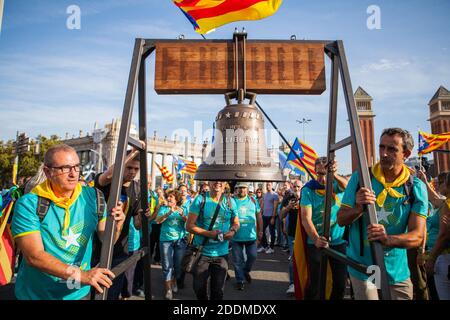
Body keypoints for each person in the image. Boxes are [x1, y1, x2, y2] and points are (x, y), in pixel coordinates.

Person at [11, 144, 125, 300]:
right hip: (36, 295)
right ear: (47, 172)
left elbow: (107, 240)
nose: (73, 174)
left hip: (78, 294)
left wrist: (117, 226)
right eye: (64, 168)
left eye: (77, 167)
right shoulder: (29, 204)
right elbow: (34, 256)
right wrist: (82, 275)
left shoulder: (94, 197)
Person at [338, 128, 428, 300]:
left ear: (406, 154)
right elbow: (341, 220)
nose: (384, 154)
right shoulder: (361, 179)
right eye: (381, 147)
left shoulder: (415, 187)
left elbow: (417, 237)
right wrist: (358, 208)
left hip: (397, 270)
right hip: (365, 267)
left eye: (392, 149)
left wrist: (388, 239)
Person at [93, 147, 144, 300]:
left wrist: (145, 217)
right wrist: (134, 151)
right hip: (96, 248)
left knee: (112, 293)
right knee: (94, 293)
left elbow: (136, 224)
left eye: (136, 169)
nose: (133, 172)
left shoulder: (137, 188)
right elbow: (108, 175)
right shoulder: (107, 181)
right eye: (129, 167)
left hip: (120, 250)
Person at [299, 158, 348, 300]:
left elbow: (346, 186)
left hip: (338, 242)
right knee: (315, 284)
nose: (323, 178)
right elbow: (305, 218)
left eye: (326, 173)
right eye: (320, 173)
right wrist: (315, 239)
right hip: (316, 242)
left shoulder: (335, 184)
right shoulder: (308, 189)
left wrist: (334, 174)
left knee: (340, 284)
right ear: (314, 171)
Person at [186, 181, 240, 300]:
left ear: (225, 183)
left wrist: (233, 231)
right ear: (209, 182)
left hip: (221, 254)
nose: (218, 182)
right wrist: (209, 234)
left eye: (221, 180)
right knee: (199, 289)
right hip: (202, 253)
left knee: (218, 291)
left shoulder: (230, 201)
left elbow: (236, 223)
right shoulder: (200, 200)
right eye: (214, 179)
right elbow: (189, 226)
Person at [150, 189, 188, 300]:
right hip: (165, 240)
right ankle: (168, 289)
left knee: (177, 265)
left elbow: (189, 223)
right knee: (167, 266)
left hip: (180, 241)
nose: (169, 198)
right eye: (168, 197)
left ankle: (174, 281)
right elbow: (157, 221)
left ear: (177, 200)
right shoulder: (164, 208)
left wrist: (183, 215)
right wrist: (168, 213)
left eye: (172, 197)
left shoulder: (184, 209)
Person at [230, 182, 263, 291]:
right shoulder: (231, 200)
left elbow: (259, 216)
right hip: (236, 237)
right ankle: (240, 280)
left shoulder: (253, 200)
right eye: (239, 188)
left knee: (253, 256)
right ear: (236, 189)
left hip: (251, 236)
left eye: (244, 188)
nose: (242, 190)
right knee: (237, 260)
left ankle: (245, 271)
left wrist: (260, 231)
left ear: (247, 189)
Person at [423, 172, 450, 300]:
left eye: (442, 182)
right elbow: (434, 198)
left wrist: (432, 258)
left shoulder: (448, 204)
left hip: (444, 257)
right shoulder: (445, 203)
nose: (439, 185)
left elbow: (444, 235)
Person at [279, 179, 304, 296]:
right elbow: (281, 215)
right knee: (293, 258)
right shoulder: (289, 198)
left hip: (306, 234)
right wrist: (288, 207)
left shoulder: (307, 197)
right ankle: (292, 284)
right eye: (295, 187)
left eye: (299, 187)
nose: (297, 189)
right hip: (293, 233)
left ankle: (304, 283)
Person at [259, 182, 279, 254]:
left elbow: (275, 206)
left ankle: (271, 248)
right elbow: (263, 204)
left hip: (271, 216)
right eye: (267, 185)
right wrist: (260, 212)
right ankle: (265, 246)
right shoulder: (265, 195)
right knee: (262, 230)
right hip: (264, 215)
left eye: (269, 185)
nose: (268, 186)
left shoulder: (275, 195)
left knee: (272, 232)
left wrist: (273, 217)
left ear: (272, 186)